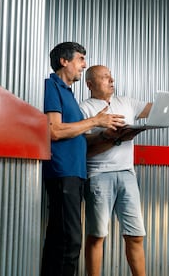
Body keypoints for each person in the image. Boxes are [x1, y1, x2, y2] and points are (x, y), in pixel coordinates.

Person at [79, 65, 169, 276]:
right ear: (89, 84)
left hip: (127, 174)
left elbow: (160, 108)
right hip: (98, 175)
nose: (111, 80)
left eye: (111, 77)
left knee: (136, 235)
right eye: (104, 77)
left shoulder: (126, 102)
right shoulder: (85, 108)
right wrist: (107, 136)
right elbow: (81, 144)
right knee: (97, 235)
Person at [41, 44, 125, 276]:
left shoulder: (68, 94)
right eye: (80, 59)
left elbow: (76, 136)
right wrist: (95, 122)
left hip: (74, 173)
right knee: (70, 240)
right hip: (62, 172)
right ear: (63, 62)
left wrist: (107, 135)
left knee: (60, 238)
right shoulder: (52, 86)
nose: (84, 64)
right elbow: (54, 131)